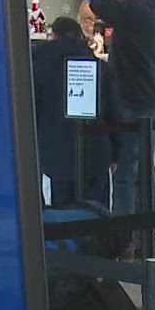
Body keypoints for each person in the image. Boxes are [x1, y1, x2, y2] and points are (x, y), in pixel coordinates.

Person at [89, 0, 155, 216]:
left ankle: (124, 233)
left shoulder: (133, 11)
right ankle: (147, 233)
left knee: (126, 171)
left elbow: (98, 3)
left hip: (135, 101)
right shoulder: (154, 16)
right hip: (153, 99)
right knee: (145, 170)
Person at [30, 18, 112, 208]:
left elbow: (33, 113)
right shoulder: (101, 67)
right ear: (80, 37)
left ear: (53, 36)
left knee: (64, 217)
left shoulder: (38, 69)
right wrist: (115, 153)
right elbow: (113, 111)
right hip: (97, 154)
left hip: (55, 157)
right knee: (96, 215)